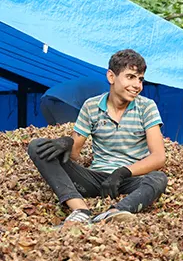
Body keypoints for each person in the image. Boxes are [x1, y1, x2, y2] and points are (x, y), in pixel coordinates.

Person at [27, 49, 168, 224]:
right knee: (37, 146)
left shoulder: (147, 107)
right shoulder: (91, 106)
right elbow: (75, 154)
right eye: (130, 77)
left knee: (158, 178)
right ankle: (80, 209)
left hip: (129, 179)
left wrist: (122, 172)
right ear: (111, 77)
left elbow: (159, 157)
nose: (137, 85)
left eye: (140, 79)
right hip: (93, 178)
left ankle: (115, 212)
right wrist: (66, 142)